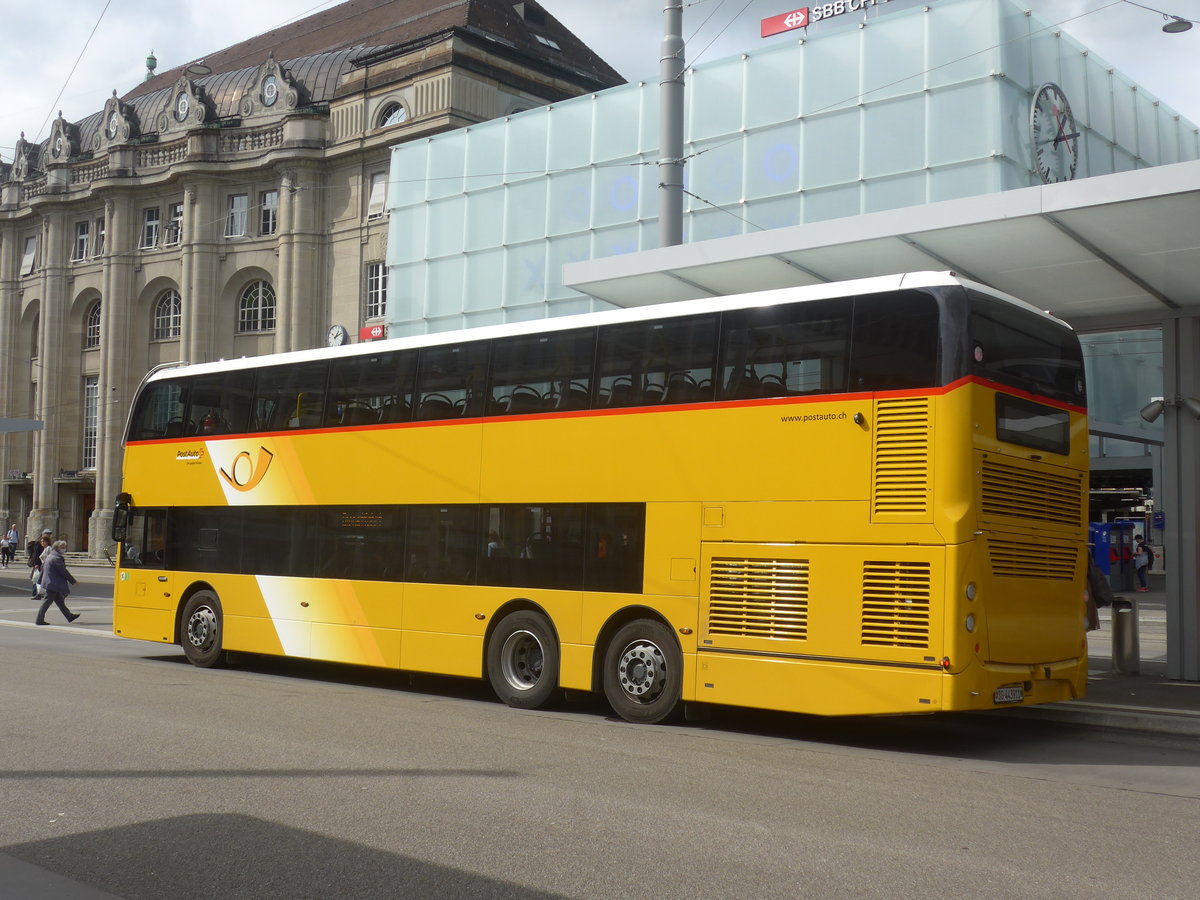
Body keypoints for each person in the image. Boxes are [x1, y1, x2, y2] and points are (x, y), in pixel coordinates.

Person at [36, 539, 79, 625]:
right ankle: (39, 620)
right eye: (62, 547)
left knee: (59, 601)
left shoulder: (50, 556)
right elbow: (63, 571)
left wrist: (41, 580)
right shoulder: (56, 558)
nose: (64, 549)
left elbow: (43, 568)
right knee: (47, 601)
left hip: (50, 582)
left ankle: (69, 616)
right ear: (57, 548)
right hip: (53, 584)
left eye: (64, 547)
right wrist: (73, 581)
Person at [27, 528, 53, 599]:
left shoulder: (48, 546)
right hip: (38, 564)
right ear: (43, 534)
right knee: (37, 579)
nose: (49, 535)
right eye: (47, 534)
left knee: (39, 579)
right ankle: (36, 593)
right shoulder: (38, 543)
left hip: (43, 565)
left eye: (49, 534)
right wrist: (36, 564)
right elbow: (35, 554)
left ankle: (40, 593)